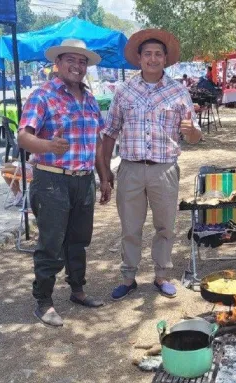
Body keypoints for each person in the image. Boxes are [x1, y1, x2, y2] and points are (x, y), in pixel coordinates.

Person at [99, 29, 202, 300]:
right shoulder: (124, 91)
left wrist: (192, 130)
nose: (153, 59)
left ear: (165, 59)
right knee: (130, 227)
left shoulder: (179, 91)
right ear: (139, 58)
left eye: (158, 54)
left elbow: (194, 135)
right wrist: (105, 171)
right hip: (131, 168)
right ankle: (128, 277)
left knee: (165, 226)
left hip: (164, 169)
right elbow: (109, 131)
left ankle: (161, 275)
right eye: (148, 54)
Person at [17, 39, 106, 327]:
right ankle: (43, 301)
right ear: (58, 63)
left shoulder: (90, 99)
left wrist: (104, 176)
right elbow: (23, 136)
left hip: (83, 180)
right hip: (52, 180)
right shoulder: (42, 95)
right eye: (71, 60)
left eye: (82, 62)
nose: (77, 66)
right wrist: (46, 145)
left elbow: (98, 141)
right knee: (51, 243)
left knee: (79, 241)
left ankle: (77, 290)